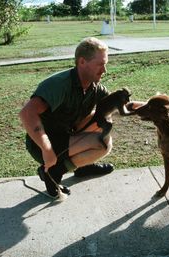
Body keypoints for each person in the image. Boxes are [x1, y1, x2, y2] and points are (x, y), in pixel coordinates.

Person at [19, 37, 115, 198]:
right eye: (100, 64)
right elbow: (27, 113)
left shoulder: (94, 87)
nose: (104, 70)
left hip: (67, 136)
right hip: (43, 144)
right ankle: (53, 172)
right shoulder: (59, 85)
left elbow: (119, 104)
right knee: (103, 143)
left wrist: (154, 105)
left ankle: (82, 167)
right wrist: (47, 149)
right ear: (82, 62)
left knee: (103, 118)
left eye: (105, 64)